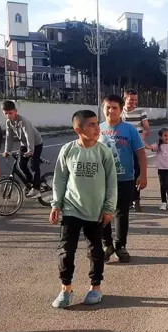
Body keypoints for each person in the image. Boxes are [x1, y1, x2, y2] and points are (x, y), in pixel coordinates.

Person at [50, 110, 117, 308]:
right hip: (71, 208)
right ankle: (66, 289)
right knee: (66, 250)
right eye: (91, 125)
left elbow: (111, 182)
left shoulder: (103, 152)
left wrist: (108, 208)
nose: (97, 128)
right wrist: (56, 204)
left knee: (95, 250)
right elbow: (60, 179)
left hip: (95, 211)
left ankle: (95, 287)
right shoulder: (68, 150)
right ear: (78, 129)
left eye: (97, 124)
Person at [99, 94, 148, 263]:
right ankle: (107, 245)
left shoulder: (130, 130)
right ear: (102, 108)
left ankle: (121, 246)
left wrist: (142, 175)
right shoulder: (97, 129)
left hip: (125, 179)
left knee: (122, 213)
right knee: (102, 213)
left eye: (115, 108)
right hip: (102, 180)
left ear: (120, 110)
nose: (111, 110)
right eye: (108, 107)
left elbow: (140, 153)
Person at [1, 100, 44, 199]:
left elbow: (29, 136)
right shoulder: (9, 122)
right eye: (5, 113)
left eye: (10, 113)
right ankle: (30, 182)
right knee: (21, 164)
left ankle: (36, 189)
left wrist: (30, 151)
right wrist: (7, 150)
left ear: (15, 111)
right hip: (24, 144)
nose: (8, 116)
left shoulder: (23, 121)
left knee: (34, 165)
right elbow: (9, 137)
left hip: (36, 143)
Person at [122, 89, 151, 212]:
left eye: (135, 100)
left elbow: (147, 129)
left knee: (136, 172)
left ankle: (136, 199)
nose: (133, 102)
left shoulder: (141, 112)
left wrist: (140, 138)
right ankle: (126, 200)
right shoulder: (119, 112)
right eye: (131, 99)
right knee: (123, 173)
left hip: (136, 147)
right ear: (125, 99)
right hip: (122, 147)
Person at [145, 128, 168, 210]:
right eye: (165, 136)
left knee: (167, 184)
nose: (167, 137)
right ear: (161, 137)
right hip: (161, 169)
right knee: (162, 185)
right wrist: (141, 141)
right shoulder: (158, 146)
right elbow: (149, 147)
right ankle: (163, 202)